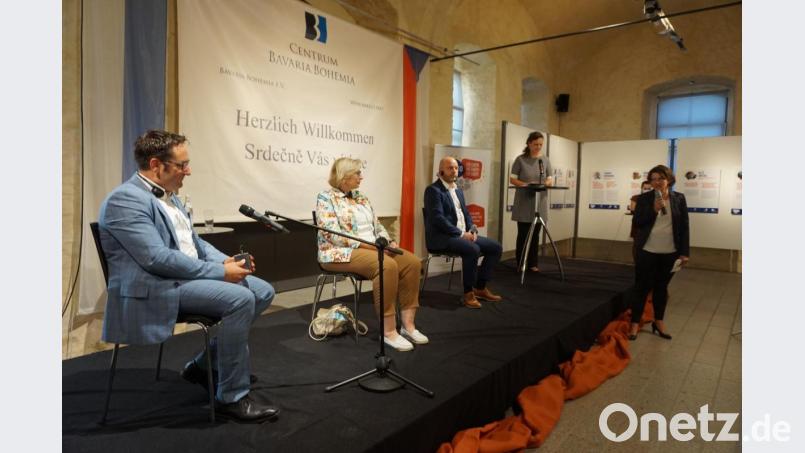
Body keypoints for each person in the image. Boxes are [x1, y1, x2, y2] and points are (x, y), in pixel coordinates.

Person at [98, 130, 278, 422]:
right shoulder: (125, 201)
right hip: (155, 286)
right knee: (242, 298)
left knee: (263, 290)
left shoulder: (172, 198)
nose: (188, 171)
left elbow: (195, 244)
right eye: (182, 165)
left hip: (183, 277)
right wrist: (221, 272)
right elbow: (157, 259)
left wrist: (227, 261)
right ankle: (231, 396)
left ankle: (203, 365)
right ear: (156, 165)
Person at [315, 157, 426, 352]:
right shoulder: (326, 198)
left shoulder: (361, 197)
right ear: (345, 176)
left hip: (374, 247)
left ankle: (408, 327)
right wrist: (372, 247)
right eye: (357, 173)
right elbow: (333, 234)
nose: (361, 177)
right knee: (387, 265)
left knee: (412, 263)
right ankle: (389, 332)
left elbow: (377, 226)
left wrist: (387, 240)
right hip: (339, 252)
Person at [424, 156, 503, 308]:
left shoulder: (458, 190)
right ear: (441, 171)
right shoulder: (433, 190)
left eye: (455, 168)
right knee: (473, 249)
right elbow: (438, 219)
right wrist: (461, 234)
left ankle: (479, 288)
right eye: (450, 168)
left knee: (495, 247)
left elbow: (465, 214)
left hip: (462, 235)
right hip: (442, 238)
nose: (454, 171)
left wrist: (472, 228)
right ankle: (468, 293)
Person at [628, 165, 690, 341]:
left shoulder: (679, 199)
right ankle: (634, 323)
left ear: (668, 179)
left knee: (661, 288)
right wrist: (653, 210)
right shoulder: (645, 198)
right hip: (647, 250)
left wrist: (684, 252)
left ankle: (659, 321)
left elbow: (685, 227)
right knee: (641, 288)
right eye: (653, 179)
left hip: (670, 252)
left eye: (660, 178)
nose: (656, 182)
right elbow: (638, 222)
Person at [509, 131, 553, 272]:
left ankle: (533, 264)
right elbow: (513, 179)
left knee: (535, 234)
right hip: (524, 201)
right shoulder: (520, 159)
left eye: (540, 144)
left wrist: (547, 182)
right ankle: (521, 263)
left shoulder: (545, 160)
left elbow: (550, 178)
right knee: (523, 234)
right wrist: (525, 184)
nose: (538, 147)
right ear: (529, 143)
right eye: (535, 144)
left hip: (539, 201)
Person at [629, 180, 653, 262]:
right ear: (642, 188)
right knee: (637, 245)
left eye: (649, 188)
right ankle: (637, 262)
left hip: (651, 225)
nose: (647, 190)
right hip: (638, 225)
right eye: (645, 188)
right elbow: (633, 208)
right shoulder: (636, 197)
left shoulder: (654, 198)